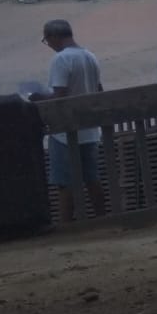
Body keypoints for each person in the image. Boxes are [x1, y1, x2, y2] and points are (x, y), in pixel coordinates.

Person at [30, 19, 106, 222]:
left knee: (65, 183)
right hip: (90, 130)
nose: (49, 45)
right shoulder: (90, 56)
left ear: (54, 37)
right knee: (92, 179)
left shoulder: (61, 60)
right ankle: (104, 219)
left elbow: (60, 96)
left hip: (65, 133)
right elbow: (99, 91)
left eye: (47, 40)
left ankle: (66, 227)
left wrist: (37, 98)